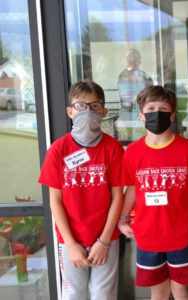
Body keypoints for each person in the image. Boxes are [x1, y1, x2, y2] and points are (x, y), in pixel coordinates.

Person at [118, 86, 188, 300]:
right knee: (158, 292)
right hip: (148, 235)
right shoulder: (132, 152)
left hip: (182, 234)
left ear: (172, 114)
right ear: (141, 115)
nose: (156, 112)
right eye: (150, 108)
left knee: (181, 291)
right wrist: (122, 219)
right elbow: (131, 188)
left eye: (162, 108)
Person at [38, 81, 123, 299]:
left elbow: (117, 197)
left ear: (103, 112)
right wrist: (71, 243)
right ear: (69, 111)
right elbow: (54, 201)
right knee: (73, 294)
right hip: (70, 239)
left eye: (94, 106)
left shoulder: (113, 149)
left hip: (106, 238)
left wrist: (104, 241)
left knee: (103, 295)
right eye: (80, 106)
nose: (87, 112)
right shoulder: (58, 150)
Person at [117, 48, 153, 141]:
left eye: (134, 57)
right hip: (127, 111)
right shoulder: (122, 76)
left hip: (142, 109)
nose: (131, 59)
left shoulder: (144, 75)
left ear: (139, 59)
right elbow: (123, 94)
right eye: (129, 57)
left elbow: (151, 91)